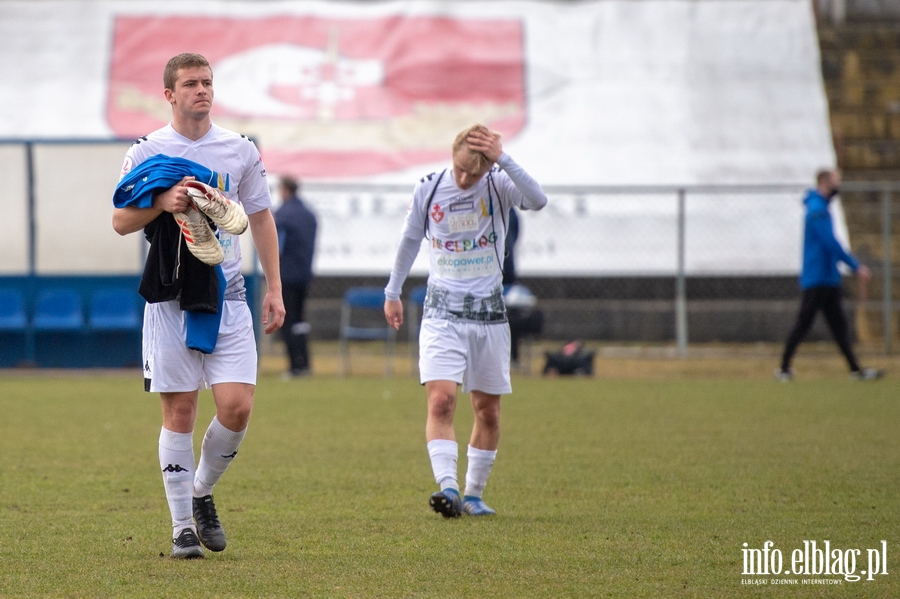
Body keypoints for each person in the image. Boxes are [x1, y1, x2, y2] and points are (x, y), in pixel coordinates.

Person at [111, 53, 285, 558]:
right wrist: (162, 202)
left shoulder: (239, 150)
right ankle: (182, 527)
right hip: (172, 301)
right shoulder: (147, 151)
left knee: (236, 408)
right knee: (181, 409)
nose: (201, 91)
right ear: (169, 93)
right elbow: (121, 221)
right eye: (190, 84)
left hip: (229, 299)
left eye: (207, 82)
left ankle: (201, 490)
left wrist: (273, 287)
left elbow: (261, 218)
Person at [383, 123, 548, 517]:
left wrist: (503, 159)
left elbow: (538, 199)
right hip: (442, 313)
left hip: (489, 316)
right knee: (441, 400)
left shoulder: (498, 185)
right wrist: (393, 292)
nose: (464, 178)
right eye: (459, 169)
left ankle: (473, 493)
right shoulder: (430, 186)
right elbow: (409, 240)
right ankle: (449, 490)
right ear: (452, 155)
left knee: (487, 410)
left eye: (472, 173)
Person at [776, 168, 883, 381]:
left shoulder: (821, 207)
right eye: (836, 180)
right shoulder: (817, 210)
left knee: (839, 326)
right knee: (804, 323)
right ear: (825, 182)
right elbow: (830, 243)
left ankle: (856, 370)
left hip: (827, 277)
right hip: (817, 277)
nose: (839, 184)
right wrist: (855, 266)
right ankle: (783, 368)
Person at [275, 176, 318, 377]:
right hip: (305, 274)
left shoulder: (283, 214)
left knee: (288, 321)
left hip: (287, 276)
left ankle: (294, 366)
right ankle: (305, 363)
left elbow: (277, 247)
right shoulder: (309, 214)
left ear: (284, 190)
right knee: (300, 320)